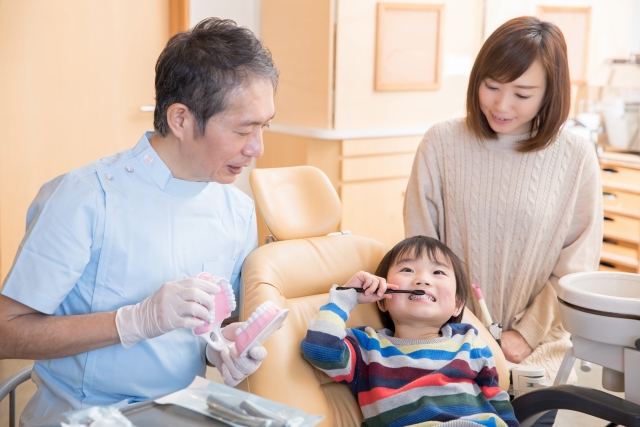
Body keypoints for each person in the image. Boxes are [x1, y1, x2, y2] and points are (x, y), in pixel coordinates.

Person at [0, 18, 277, 427]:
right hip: (81, 415)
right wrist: (132, 321)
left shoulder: (235, 208)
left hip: (181, 412)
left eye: (264, 127)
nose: (257, 149)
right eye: (243, 130)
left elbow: (211, 325)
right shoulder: (85, 198)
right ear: (181, 119)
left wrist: (224, 345)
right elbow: (7, 331)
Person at [404, 16, 602, 426]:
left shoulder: (576, 156)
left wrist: (524, 335)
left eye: (522, 93)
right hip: (446, 345)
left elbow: (575, 268)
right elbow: (421, 250)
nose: (501, 104)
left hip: (533, 354)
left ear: (550, 93)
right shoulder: (441, 143)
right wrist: (464, 328)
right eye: (491, 86)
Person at [301, 236, 519, 427]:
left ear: (457, 304)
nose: (422, 279)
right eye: (407, 270)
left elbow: (498, 401)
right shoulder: (367, 348)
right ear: (382, 300)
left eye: (438, 272)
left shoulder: (470, 342)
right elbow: (320, 348)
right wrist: (346, 296)